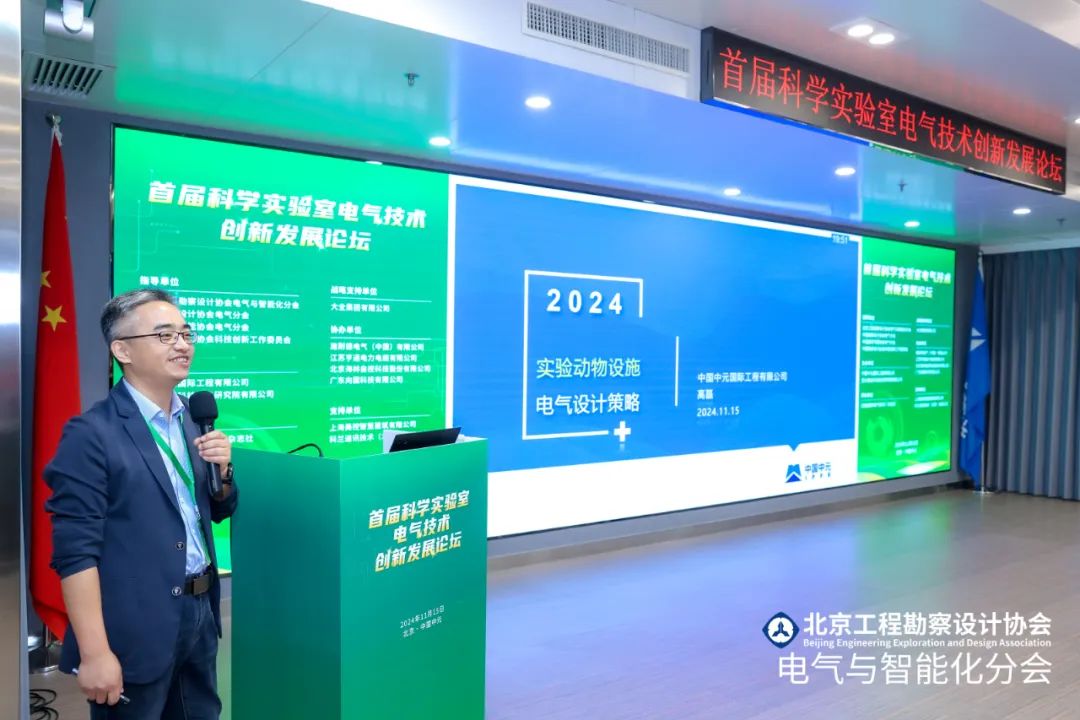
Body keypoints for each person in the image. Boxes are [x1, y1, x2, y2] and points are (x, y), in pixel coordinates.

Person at [45, 288, 238, 718]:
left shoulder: (194, 420)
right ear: (122, 351)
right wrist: (95, 653)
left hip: (200, 613)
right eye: (165, 335)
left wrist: (223, 473)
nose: (182, 345)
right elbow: (76, 553)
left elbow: (218, 509)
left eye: (185, 333)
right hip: (135, 627)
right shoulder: (91, 434)